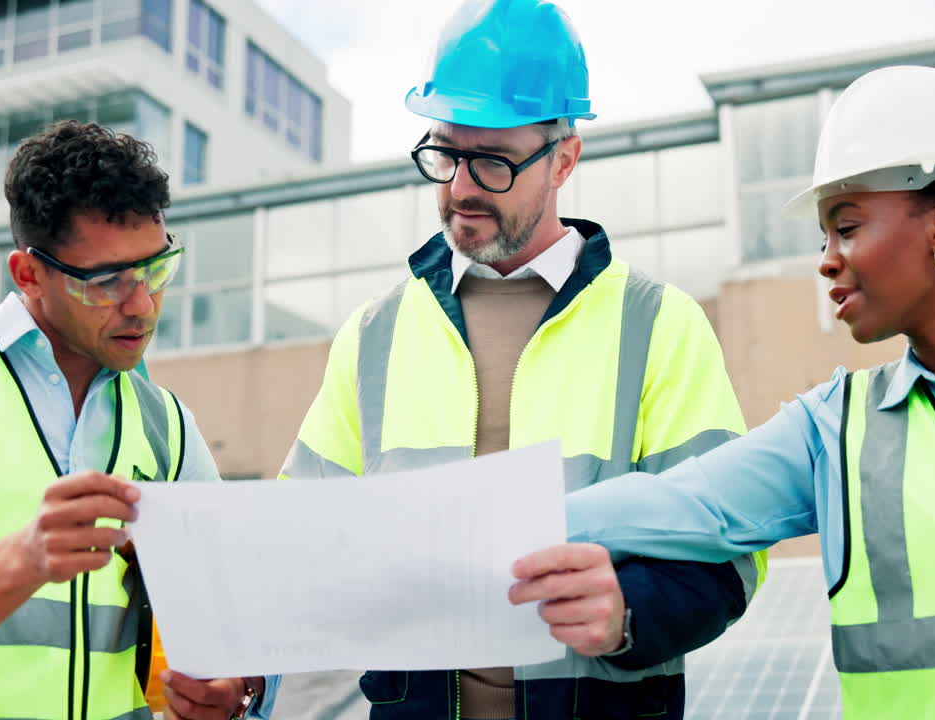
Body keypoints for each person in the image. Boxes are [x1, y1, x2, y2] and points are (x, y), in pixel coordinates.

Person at [510, 64, 935, 719]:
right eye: (824, 235)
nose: (826, 258)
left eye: (849, 224)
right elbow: (678, 504)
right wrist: (486, 532)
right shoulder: (833, 429)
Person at [276, 1, 764, 718]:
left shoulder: (659, 325)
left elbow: (728, 547)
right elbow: (298, 535)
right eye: (445, 153)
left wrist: (627, 611)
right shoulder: (374, 333)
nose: (461, 188)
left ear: (564, 157)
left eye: (494, 162)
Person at [0, 120, 274, 720]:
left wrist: (235, 688)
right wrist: (21, 562)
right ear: (28, 275)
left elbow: (233, 617)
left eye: (156, 269)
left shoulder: (168, 426)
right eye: (106, 281)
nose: (141, 304)